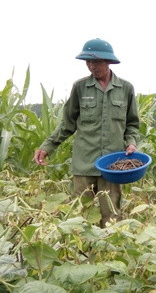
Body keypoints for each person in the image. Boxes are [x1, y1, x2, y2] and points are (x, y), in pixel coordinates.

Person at [34, 38, 140, 228]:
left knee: (111, 217)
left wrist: (131, 142)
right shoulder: (80, 87)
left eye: (97, 62)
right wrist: (47, 146)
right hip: (84, 164)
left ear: (108, 62)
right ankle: (83, 256)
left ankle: (109, 254)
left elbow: (132, 124)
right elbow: (67, 123)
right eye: (88, 62)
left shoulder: (125, 89)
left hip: (113, 165)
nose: (91, 66)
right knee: (82, 217)